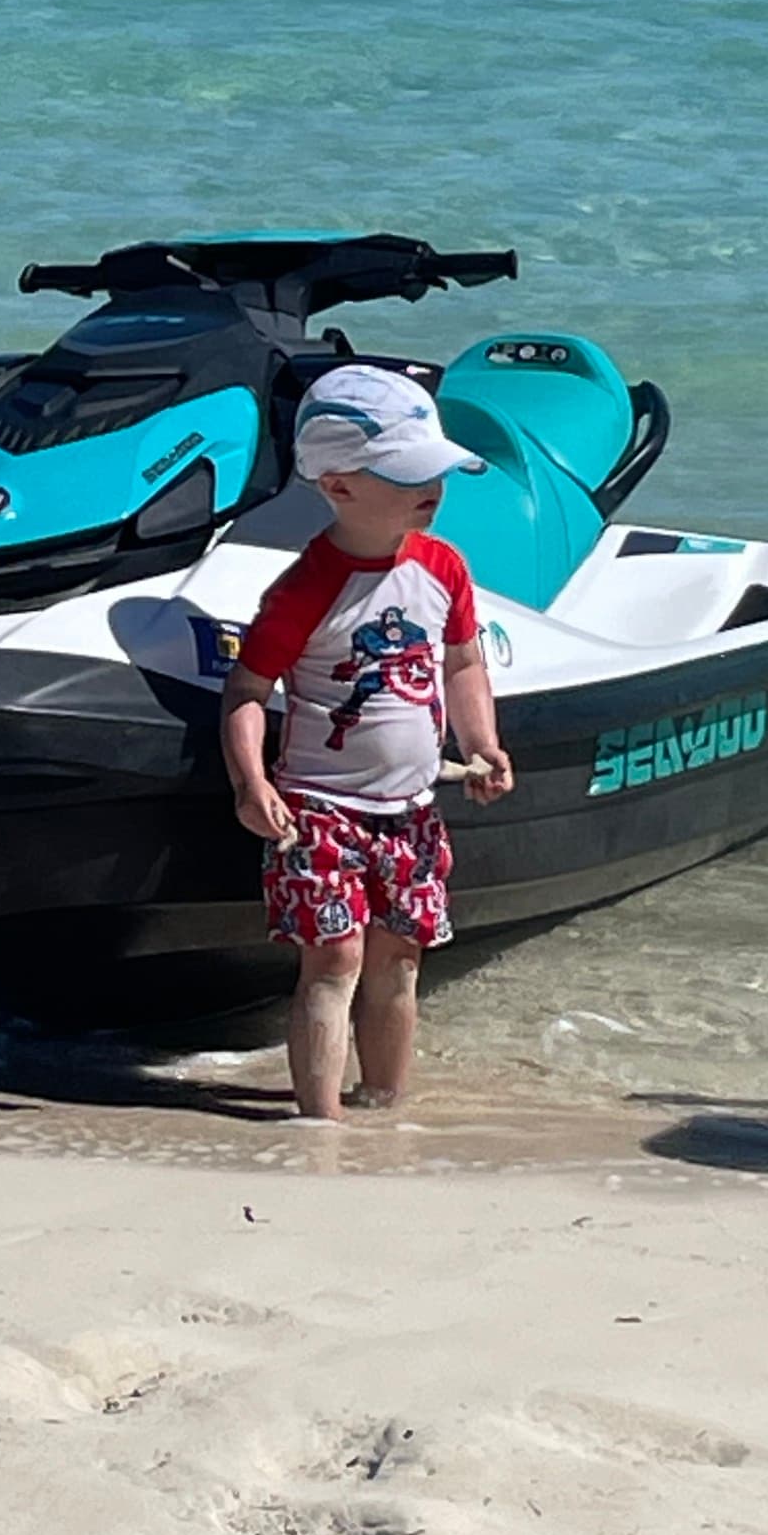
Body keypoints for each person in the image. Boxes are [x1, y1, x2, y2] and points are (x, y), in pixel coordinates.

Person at [220, 363, 514, 1121]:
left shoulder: (443, 567)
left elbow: (461, 662)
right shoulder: (306, 587)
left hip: (412, 810)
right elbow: (248, 690)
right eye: (409, 476)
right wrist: (251, 783)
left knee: (400, 959)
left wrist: (482, 741)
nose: (433, 490)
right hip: (321, 807)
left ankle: (383, 1101)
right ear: (338, 484)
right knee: (335, 958)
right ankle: (319, 1120)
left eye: (436, 472)